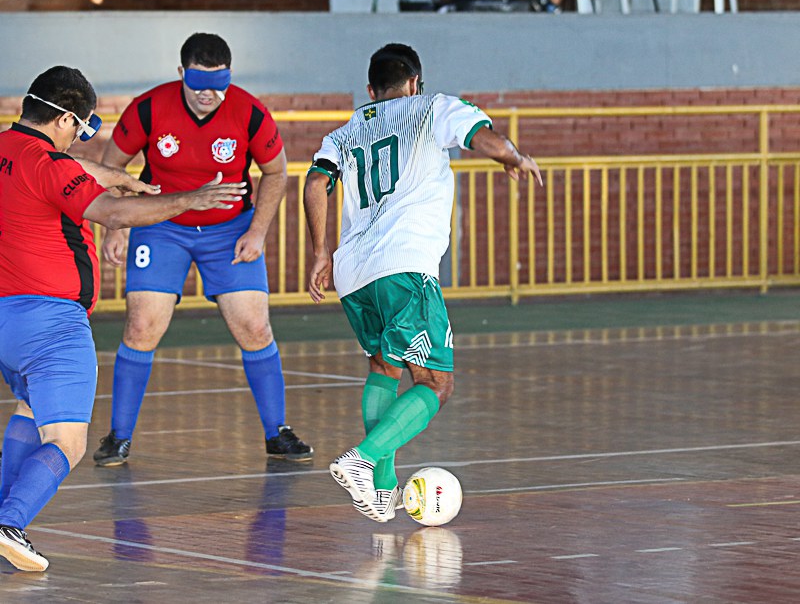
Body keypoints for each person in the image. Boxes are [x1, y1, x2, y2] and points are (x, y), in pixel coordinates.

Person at [0, 65, 246, 571]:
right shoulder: (53, 166)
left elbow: (72, 172)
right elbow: (112, 213)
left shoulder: (10, 150)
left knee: (29, 407)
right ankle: (11, 522)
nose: (78, 140)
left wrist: (121, 177)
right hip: (52, 323)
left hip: (6, 321)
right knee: (66, 442)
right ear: (67, 119)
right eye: (82, 129)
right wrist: (188, 201)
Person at [303, 43, 542, 522]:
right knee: (436, 381)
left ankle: (381, 488)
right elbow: (480, 135)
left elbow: (314, 183)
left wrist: (319, 252)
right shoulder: (431, 107)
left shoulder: (344, 133)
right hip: (405, 265)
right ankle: (364, 459)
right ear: (415, 81)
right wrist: (511, 157)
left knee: (384, 369)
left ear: (371, 90)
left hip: (354, 272)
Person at [92, 32, 313, 467]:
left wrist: (258, 231)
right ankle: (118, 436)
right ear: (180, 74)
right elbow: (110, 167)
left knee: (255, 326)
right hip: (160, 226)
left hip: (229, 230)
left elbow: (276, 172)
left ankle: (277, 433)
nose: (209, 94)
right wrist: (115, 225)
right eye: (198, 82)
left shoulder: (249, 112)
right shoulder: (151, 107)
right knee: (141, 327)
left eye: (219, 82)